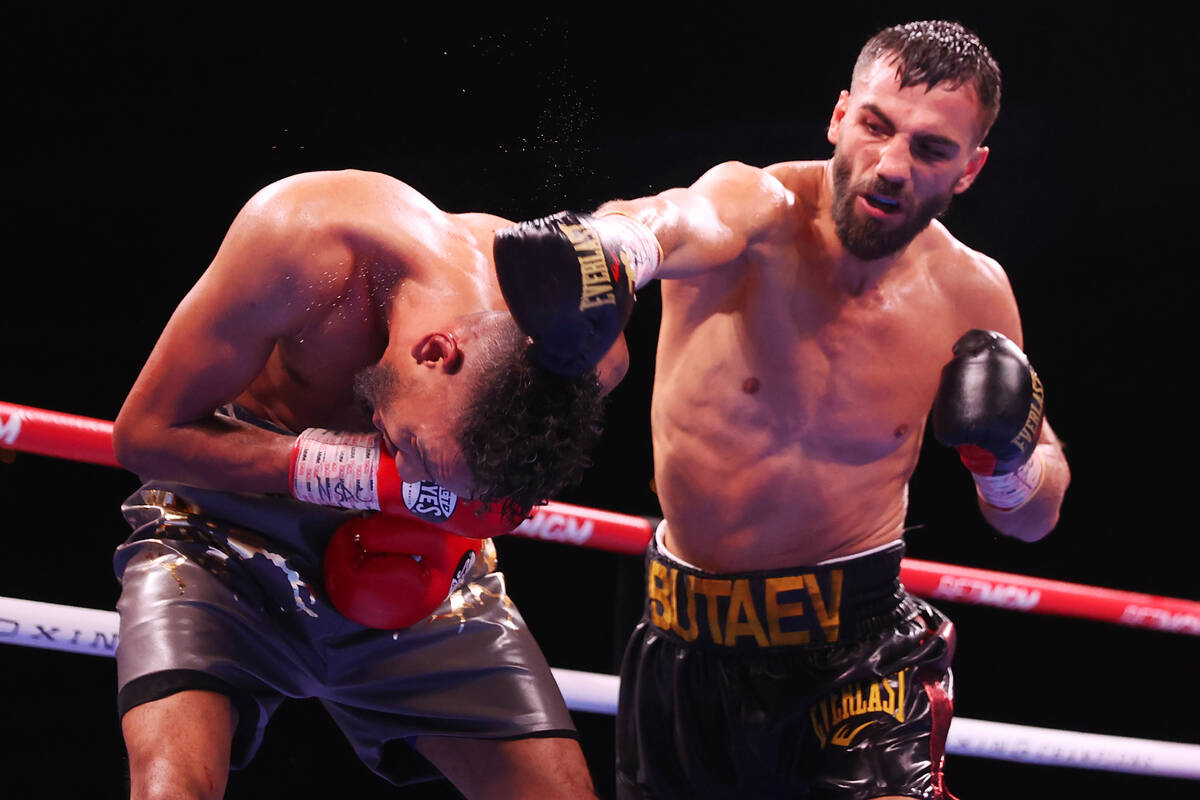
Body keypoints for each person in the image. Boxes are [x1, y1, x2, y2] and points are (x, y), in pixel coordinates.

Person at [493, 19, 1070, 799]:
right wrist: (616, 247)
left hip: (861, 654)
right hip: (681, 640)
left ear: (970, 170)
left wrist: (1007, 462)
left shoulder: (974, 295)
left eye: (932, 150)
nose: (891, 166)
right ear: (839, 116)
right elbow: (677, 217)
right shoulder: (754, 205)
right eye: (874, 126)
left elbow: (1030, 516)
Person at [110, 169, 633, 799]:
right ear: (435, 353)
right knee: (172, 789)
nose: (406, 470)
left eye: (427, 471)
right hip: (222, 531)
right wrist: (354, 473)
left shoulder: (573, 351)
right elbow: (143, 435)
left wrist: (466, 506)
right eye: (410, 448)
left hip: (419, 552)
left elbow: (606, 368)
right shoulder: (305, 241)